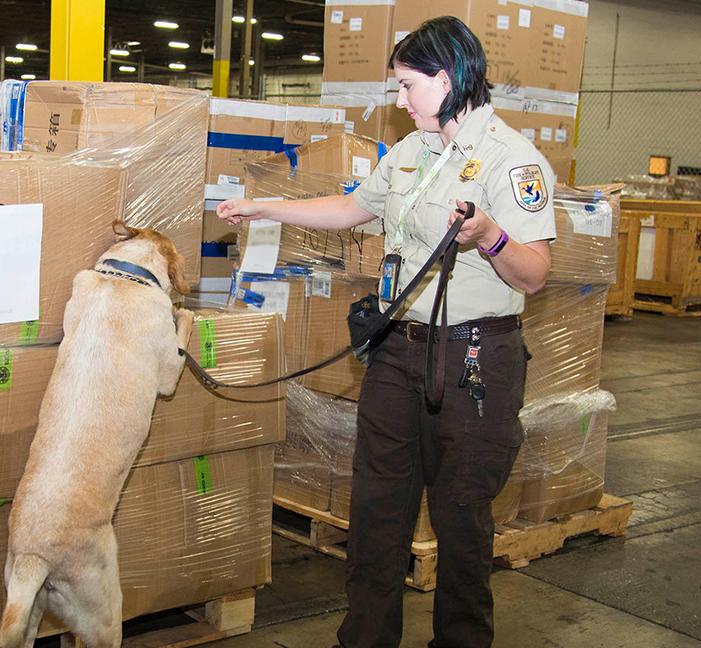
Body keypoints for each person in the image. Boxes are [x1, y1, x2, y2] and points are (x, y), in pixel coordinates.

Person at [217, 16, 555, 648]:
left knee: (460, 521)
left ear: (448, 78)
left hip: (474, 362)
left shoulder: (513, 161)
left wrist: (491, 236)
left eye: (407, 86)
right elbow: (354, 207)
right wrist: (264, 207)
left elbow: (534, 274)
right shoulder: (412, 152)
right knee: (376, 512)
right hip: (398, 353)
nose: (398, 101)